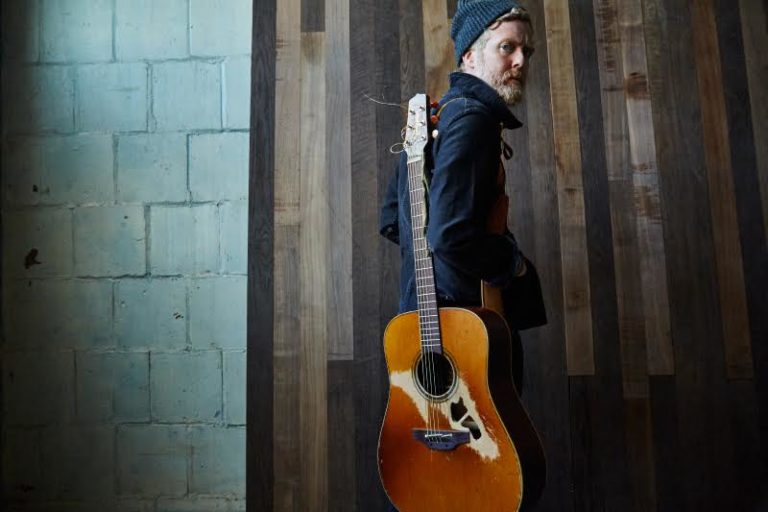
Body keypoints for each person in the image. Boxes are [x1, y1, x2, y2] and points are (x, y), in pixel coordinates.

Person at [379, 0, 546, 394]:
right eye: (507, 47)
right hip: (467, 331)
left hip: (420, 324)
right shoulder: (473, 120)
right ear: (470, 55)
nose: (521, 61)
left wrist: (428, 277)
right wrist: (512, 264)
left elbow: (392, 218)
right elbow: (449, 235)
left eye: (527, 51)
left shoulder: (440, 114)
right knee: (487, 432)